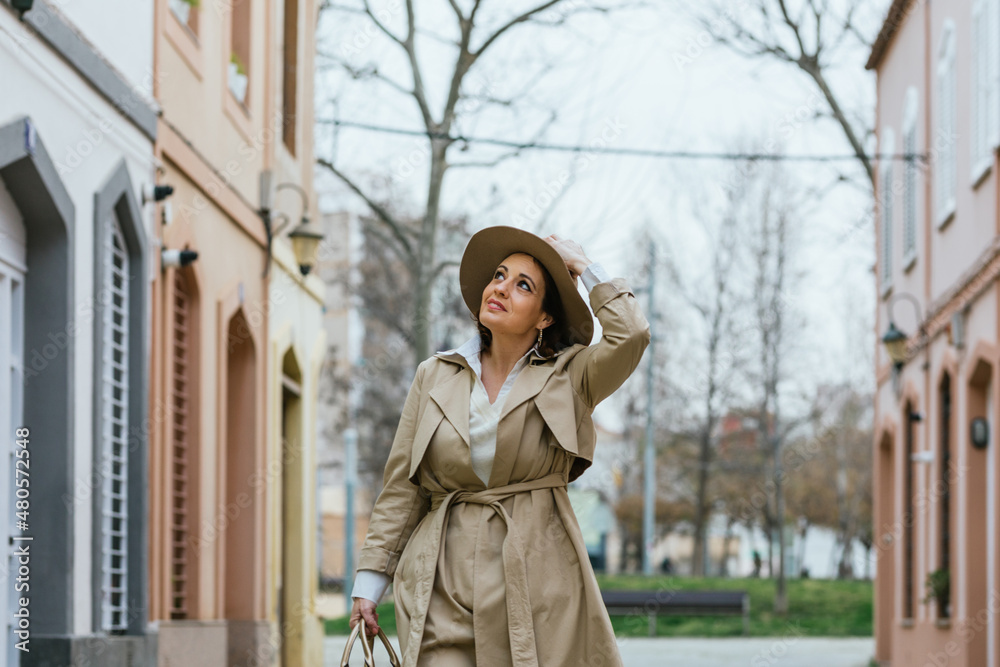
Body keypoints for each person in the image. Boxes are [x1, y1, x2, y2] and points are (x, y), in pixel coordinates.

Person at [348, 226, 650, 666]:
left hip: (536, 580)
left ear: (544, 318)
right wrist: (370, 584)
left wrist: (583, 266)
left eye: (523, 285)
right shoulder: (434, 375)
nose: (502, 288)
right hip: (440, 581)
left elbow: (632, 336)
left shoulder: (571, 377)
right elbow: (402, 487)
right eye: (500, 276)